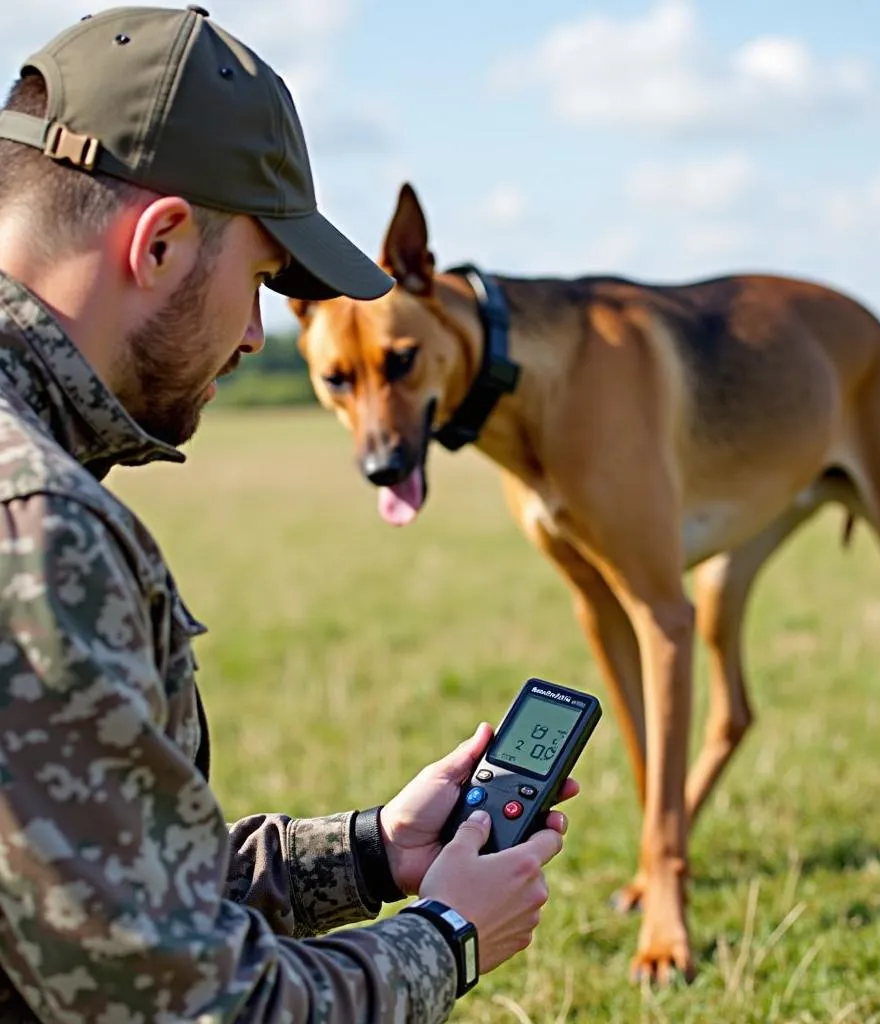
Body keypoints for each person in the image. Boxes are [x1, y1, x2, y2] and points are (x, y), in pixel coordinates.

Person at [0, 6, 579, 1022]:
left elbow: (87, 899)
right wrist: (446, 936)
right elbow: (193, 1007)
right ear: (164, 244)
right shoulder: (36, 528)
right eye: (263, 279)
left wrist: (368, 852)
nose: (256, 337)